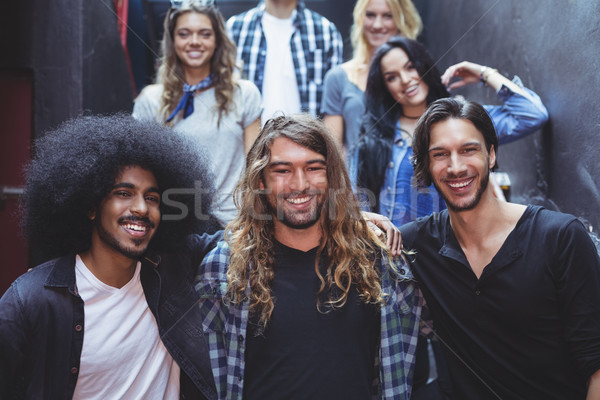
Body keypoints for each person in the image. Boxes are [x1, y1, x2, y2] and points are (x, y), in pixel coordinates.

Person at [196, 115, 424, 399]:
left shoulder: (379, 260)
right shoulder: (224, 268)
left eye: (314, 167)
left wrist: (354, 221)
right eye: (282, 170)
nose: (299, 184)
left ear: (332, 176)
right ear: (261, 181)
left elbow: (404, 370)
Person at [0, 115, 219, 399]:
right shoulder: (30, 299)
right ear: (91, 206)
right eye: (124, 193)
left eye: (152, 198)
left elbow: (243, 239)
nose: (141, 208)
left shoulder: (172, 270)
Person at [401, 97, 600, 399]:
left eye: (469, 150)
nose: (455, 167)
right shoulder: (417, 244)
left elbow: (595, 360)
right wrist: (367, 218)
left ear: (491, 155)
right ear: (428, 165)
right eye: (440, 154)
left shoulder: (560, 237)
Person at [355, 35, 549, 227]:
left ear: (424, 65)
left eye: (410, 67)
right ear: (385, 87)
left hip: (455, 250)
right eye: (392, 77)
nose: (405, 80)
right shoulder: (376, 139)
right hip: (397, 252)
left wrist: (484, 73)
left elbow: (532, 115)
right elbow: (356, 206)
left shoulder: (463, 119)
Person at [133, 0, 262, 228]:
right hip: (174, 223)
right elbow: (140, 171)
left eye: (204, 34)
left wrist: (251, 221)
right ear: (173, 41)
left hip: (233, 226)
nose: (194, 42)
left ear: (217, 40)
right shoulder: (151, 100)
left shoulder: (244, 94)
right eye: (184, 34)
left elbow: (256, 167)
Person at [322, 0, 422, 151]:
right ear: (360, 18)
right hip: (354, 172)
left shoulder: (417, 75)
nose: (377, 25)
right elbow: (333, 149)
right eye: (370, 15)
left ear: (401, 20)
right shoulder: (338, 77)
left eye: (388, 16)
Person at [226, 0, 343, 121]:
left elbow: (334, 105)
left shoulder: (325, 32)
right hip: (249, 138)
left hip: (307, 137)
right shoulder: (235, 29)